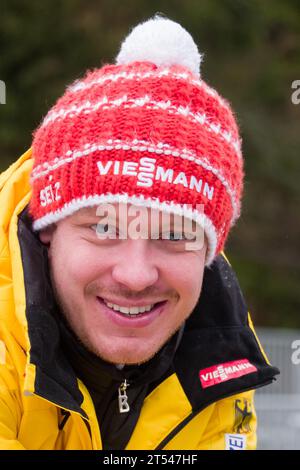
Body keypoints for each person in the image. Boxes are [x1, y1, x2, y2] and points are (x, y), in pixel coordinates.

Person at [0, 16, 279, 450]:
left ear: (208, 251)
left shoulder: (220, 364)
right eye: (105, 227)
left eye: (174, 235)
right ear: (48, 229)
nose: (136, 276)